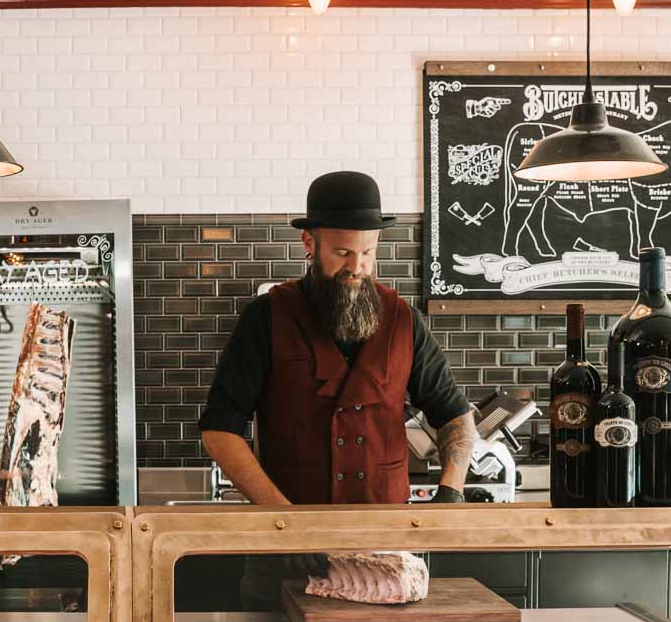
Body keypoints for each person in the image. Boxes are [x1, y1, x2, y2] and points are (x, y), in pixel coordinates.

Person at [199, 170, 477, 511]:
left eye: (367, 253)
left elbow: (454, 415)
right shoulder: (266, 316)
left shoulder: (402, 319)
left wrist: (451, 491)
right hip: (286, 539)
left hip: (385, 535)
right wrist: (281, 514)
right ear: (308, 244)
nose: (356, 266)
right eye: (342, 252)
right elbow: (219, 429)